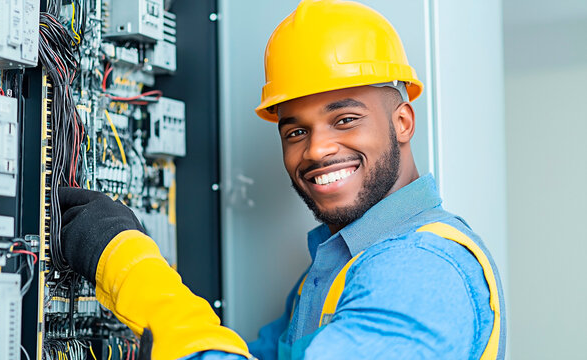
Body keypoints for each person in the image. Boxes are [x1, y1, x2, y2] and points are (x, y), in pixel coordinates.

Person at [58, 0, 506, 359]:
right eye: (295, 131)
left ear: (403, 121)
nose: (315, 149)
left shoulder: (420, 269)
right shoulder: (335, 268)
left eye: (345, 119)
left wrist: (134, 272)